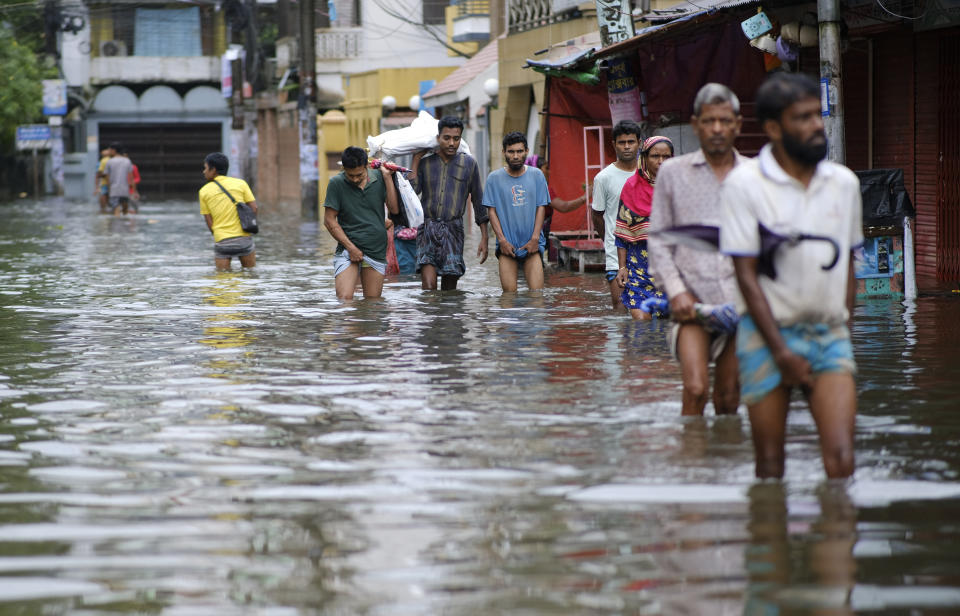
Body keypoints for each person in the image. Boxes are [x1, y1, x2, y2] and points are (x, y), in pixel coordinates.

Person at [720, 72, 862, 479]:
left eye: (817, 115)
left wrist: (845, 331)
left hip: (829, 334)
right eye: (802, 118)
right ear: (772, 129)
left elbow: (848, 265)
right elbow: (746, 276)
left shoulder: (844, 184)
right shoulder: (743, 186)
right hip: (765, 338)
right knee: (770, 465)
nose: (817, 125)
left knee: (841, 462)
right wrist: (781, 352)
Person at [648, 83, 746, 416]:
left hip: (741, 304)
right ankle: (690, 464)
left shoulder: (756, 176)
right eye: (708, 121)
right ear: (695, 125)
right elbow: (659, 238)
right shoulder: (673, 173)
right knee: (695, 389)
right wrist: (675, 291)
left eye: (724, 121)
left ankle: (723, 462)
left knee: (730, 398)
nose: (717, 129)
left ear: (737, 124)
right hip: (691, 303)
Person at [409, 115, 488, 290]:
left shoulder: (469, 164)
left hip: (454, 230)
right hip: (427, 228)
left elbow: (478, 201)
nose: (451, 143)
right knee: (429, 288)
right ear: (438, 138)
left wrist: (484, 237)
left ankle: (446, 318)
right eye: (447, 138)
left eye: (456, 138)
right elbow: (413, 193)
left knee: (449, 291)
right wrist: (415, 159)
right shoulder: (425, 163)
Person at [323, 146, 399, 299]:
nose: (355, 179)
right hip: (347, 251)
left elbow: (394, 210)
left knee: (372, 306)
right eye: (351, 176)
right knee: (344, 301)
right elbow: (329, 220)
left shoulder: (379, 177)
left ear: (366, 166)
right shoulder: (336, 183)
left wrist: (387, 178)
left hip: (376, 250)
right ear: (344, 168)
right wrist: (351, 248)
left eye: (359, 175)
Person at [614, 136, 674, 320]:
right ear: (645, 158)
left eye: (666, 157)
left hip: (672, 268)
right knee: (641, 323)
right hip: (639, 267)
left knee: (669, 329)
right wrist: (622, 267)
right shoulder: (631, 187)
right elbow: (622, 231)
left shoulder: (679, 186)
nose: (661, 161)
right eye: (655, 156)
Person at [483, 131, 550, 292]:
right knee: (508, 298)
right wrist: (502, 241)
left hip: (532, 245)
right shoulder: (494, 178)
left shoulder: (537, 175)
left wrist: (535, 238)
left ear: (526, 151)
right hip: (507, 247)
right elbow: (491, 211)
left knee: (537, 297)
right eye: (511, 151)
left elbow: (541, 207)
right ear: (504, 152)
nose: (515, 156)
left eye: (519, 151)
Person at [591, 121, 642, 310]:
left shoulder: (648, 174)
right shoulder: (603, 178)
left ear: (639, 143)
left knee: (649, 310)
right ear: (613, 144)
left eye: (631, 141)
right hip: (615, 253)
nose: (627, 146)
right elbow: (597, 215)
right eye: (622, 142)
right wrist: (609, 240)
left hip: (646, 250)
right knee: (620, 306)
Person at [199, 152, 259, 270]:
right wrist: (248, 228)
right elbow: (254, 208)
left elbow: (208, 219)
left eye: (205, 168)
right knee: (250, 276)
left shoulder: (204, 191)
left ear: (213, 169)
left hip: (222, 241)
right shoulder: (241, 184)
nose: (204, 171)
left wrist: (218, 235)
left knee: (222, 280)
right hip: (244, 239)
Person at [103, 142, 134, 216]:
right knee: (125, 210)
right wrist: (133, 191)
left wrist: (108, 189)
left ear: (114, 150)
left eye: (110, 150)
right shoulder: (127, 161)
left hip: (114, 190)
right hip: (125, 190)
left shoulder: (109, 162)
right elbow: (131, 177)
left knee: (116, 208)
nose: (109, 152)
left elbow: (107, 177)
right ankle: (125, 225)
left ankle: (117, 225)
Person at [94, 147, 111, 213]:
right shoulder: (101, 163)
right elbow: (97, 175)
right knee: (104, 200)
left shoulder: (110, 160)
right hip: (105, 184)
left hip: (108, 184)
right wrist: (97, 187)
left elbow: (97, 176)